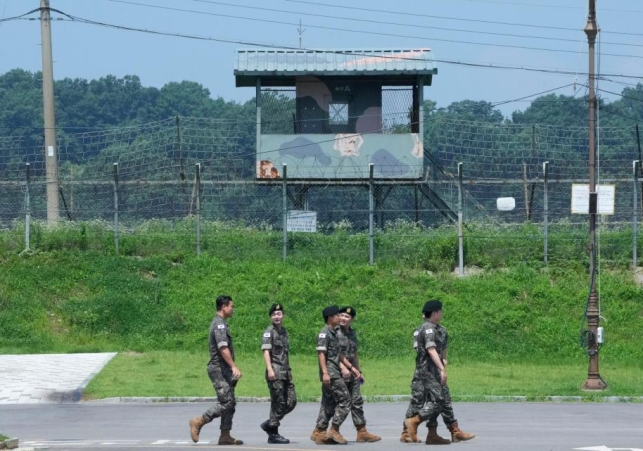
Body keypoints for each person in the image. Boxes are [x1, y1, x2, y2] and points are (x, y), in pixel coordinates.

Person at [403, 300, 475, 444]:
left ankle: (443, 433)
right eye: (440, 311)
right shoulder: (426, 329)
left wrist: (444, 360)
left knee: (445, 399)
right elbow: (430, 350)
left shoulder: (439, 329)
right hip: (427, 371)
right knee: (438, 400)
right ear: (435, 312)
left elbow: (443, 347)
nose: (442, 313)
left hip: (434, 369)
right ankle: (413, 422)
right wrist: (442, 369)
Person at [189, 295, 243, 445]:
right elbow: (223, 348)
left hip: (224, 369)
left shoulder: (222, 324)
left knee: (230, 403)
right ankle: (199, 421)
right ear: (224, 307)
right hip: (218, 369)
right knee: (226, 402)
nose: (233, 309)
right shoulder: (219, 325)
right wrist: (233, 366)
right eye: (231, 306)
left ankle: (225, 435)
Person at [310, 305, 362, 445]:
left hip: (335, 371)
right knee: (345, 400)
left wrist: (352, 368)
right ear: (330, 318)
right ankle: (333, 430)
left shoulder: (333, 333)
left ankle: (320, 433)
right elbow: (321, 354)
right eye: (337, 316)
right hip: (331, 373)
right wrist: (325, 373)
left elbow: (338, 355)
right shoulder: (324, 333)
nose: (340, 318)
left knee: (329, 402)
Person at [337, 306, 381, 442]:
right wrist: (344, 368)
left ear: (352, 320)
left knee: (357, 401)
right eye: (342, 315)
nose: (343, 319)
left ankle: (362, 431)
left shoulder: (352, 333)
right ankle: (327, 430)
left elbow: (354, 353)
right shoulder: (335, 333)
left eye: (347, 317)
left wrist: (358, 371)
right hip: (339, 372)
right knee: (338, 403)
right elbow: (334, 354)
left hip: (352, 372)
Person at [259, 303, 297, 444]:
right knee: (278, 403)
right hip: (275, 372)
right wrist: (269, 369)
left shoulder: (284, 331)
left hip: (285, 372)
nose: (277, 316)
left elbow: (285, 355)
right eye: (274, 314)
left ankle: (269, 423)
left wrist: (289, 371)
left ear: (283, 316)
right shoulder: (269, 332)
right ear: (270, 317)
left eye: (279, 314)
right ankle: (273, 433)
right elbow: (266, 351)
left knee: (291, 402)